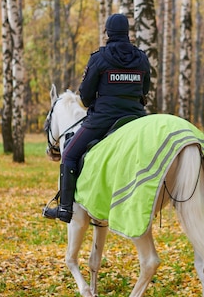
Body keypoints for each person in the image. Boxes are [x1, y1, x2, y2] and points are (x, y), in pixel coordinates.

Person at [43, 13, 151, 222]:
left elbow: (84, 96)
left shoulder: (99, 58)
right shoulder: (141, 58)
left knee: (69, 155)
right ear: (127, 33)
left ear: (107, 33)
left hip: (103, 120)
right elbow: (145, 90)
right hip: (137, 119)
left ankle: (65, 208)